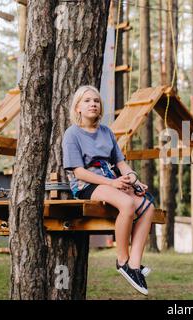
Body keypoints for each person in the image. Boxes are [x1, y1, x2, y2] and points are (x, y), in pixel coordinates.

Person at [62, 85, 155, 296]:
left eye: (96, 100)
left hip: (111, 180)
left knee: (148, 206)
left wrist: (134, 180)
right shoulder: (72, 134)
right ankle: (122, 260)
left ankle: (135, 264)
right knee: (128, 204)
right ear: (77, 108)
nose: (93, 103)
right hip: (87, 184)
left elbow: (121, 163)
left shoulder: (106, 132)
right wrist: (112, 184)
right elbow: (78, 172)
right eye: (87, 101)